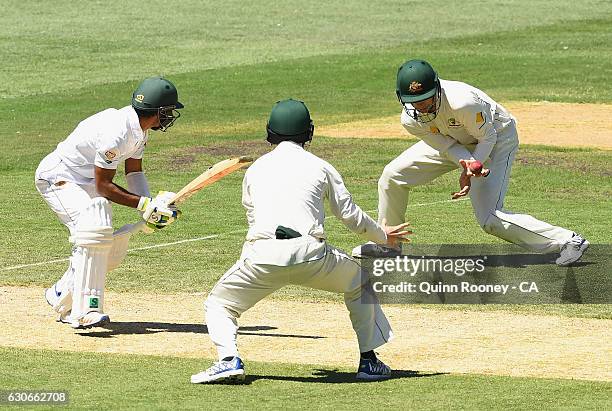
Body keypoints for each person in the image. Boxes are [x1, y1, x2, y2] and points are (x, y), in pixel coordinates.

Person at [191, 99, 410, 384]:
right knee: (360, 282)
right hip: (311, 255)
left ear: (270, 132)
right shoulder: (321, 167)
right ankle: (369, 361)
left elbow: (252, 217)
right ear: (309, 132)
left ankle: (228, 360)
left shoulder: (255, 170)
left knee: (219, 304)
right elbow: (350, 215)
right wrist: (383, 236)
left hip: (263, 256)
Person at [353, 59, 588, 266]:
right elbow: (446, 146)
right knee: (392, 175)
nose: (421, 107)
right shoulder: (410, 119)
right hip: (454, 139)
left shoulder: (462, 102)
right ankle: (388, 245)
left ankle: (569, 240)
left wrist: (473, 164)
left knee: (489, 219)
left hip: (496, 137)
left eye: (425, 99)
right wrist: (466, 164)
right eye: (414, 101)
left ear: (437, 88)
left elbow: (488, 137)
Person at [35, 77, 183, 329]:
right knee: (93, 232)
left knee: (108, 250)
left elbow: (134, 172)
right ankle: (84, 312)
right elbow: (104, 186)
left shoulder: (139, 130)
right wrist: (145, 206)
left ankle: (61, 293)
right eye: (168, 111)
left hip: (87, 180)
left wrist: (150, 207)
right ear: (158, 111)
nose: (169, 116)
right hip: (59, 177)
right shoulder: (117, 132)